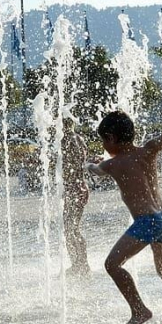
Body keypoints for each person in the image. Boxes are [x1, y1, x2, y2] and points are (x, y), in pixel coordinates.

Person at [87, 73, 162, 324]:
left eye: (104, 140)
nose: (104, 145)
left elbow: (97, 169)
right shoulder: (149, 149)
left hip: (147, 222)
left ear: (112, 138)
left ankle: (139, 310)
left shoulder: (112, 164)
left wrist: (86, 164)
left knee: (112, 264)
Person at [62, 117, 90, 277]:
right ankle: (79, 263)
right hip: (76, 188)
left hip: (75, 189)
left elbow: (74, 166)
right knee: (70, 228)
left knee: (71, 228)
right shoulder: (78, 139)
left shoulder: (69, 140)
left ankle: (81, 264)